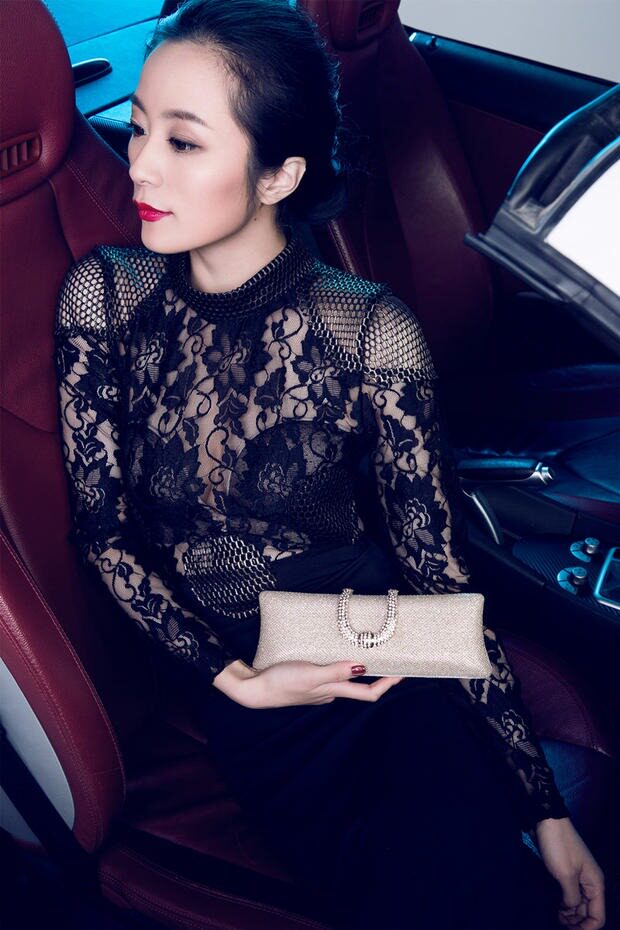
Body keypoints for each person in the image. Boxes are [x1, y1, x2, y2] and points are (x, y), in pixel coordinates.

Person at [54, 1, 606, 928]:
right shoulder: (105, 295)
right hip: (251, 677)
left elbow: (436, 583)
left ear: (280, 175)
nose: (139, 165)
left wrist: (543, 811)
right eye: (140, 129)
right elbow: (103, 533)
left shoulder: (368, 330)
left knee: (479, 877)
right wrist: (239, 680)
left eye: (183, 143)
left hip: (375, 637)